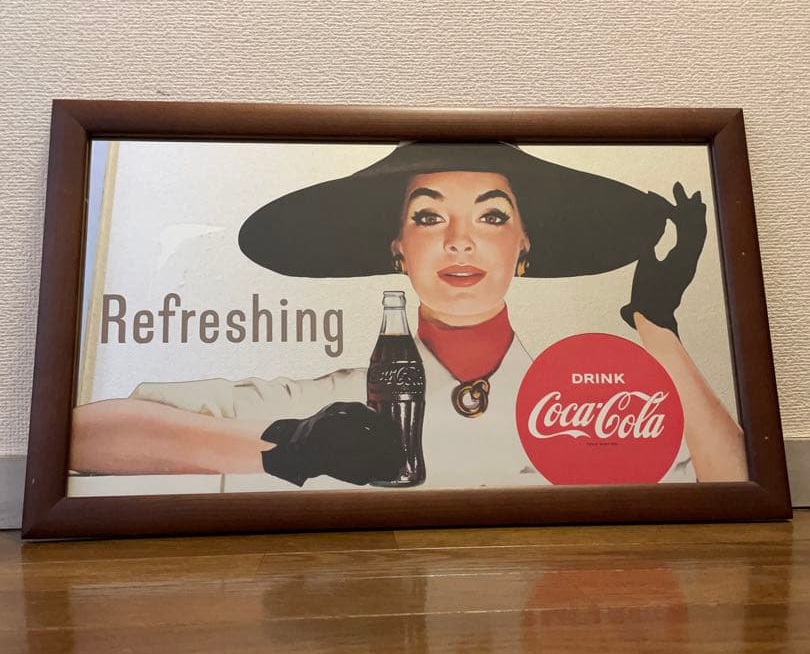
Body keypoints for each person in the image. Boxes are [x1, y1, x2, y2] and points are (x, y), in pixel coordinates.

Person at [70, 143, 747, 486]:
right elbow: (84, 437)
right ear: (398, 248)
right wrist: (292, 448)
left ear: (525, 244)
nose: (460, 240)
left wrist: (656, 324)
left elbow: (733, 483)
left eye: (492, 217)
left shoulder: (579, 403)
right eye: (428, 217)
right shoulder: (338, 405)